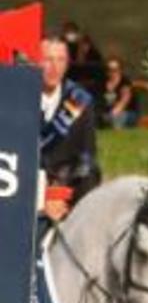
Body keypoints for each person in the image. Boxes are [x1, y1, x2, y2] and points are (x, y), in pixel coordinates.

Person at [39, 34, 101, 223]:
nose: (55, 67)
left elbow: (87, 157)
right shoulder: (18, 99)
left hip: (65, 192)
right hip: (23, 188)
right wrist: (41, 196)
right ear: (35, 62)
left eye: (61, 60)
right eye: (48, 59)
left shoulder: (79, 100)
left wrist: (61, 195)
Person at [99, 56, 139, 130]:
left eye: (114, 70)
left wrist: (112, 115)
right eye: (109, 69)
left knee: (118, 118)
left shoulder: (125, 83)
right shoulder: (103, 83)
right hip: (109, 113)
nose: (111, 72)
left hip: (127, 113)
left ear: (120, 70)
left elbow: (123, 102)